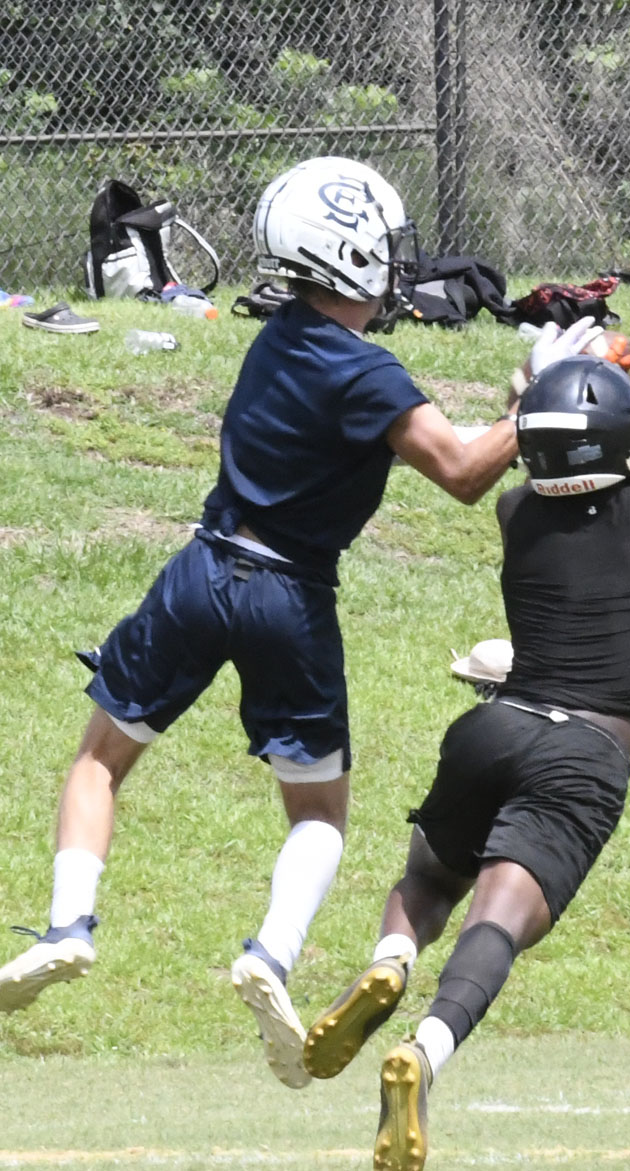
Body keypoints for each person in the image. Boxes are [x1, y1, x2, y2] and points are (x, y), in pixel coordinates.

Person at [0, 156, 596, 1090]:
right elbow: (467, 473)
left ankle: (70, 923)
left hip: (199, 571)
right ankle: (270, 956)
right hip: (290, 597)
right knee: (318, 813)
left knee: (97, 761)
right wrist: (539, 403)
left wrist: (516, 401)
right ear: (351, 252)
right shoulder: (369, 371)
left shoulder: (275, 336)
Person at [300, 285, 630, 1171]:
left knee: (427, 883)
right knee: (498, 921)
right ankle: (424, 1050)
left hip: (492, 728)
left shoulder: (516, 516)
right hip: (584, 752)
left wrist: (529, 394)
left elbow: (533, 455)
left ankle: (390, 957)